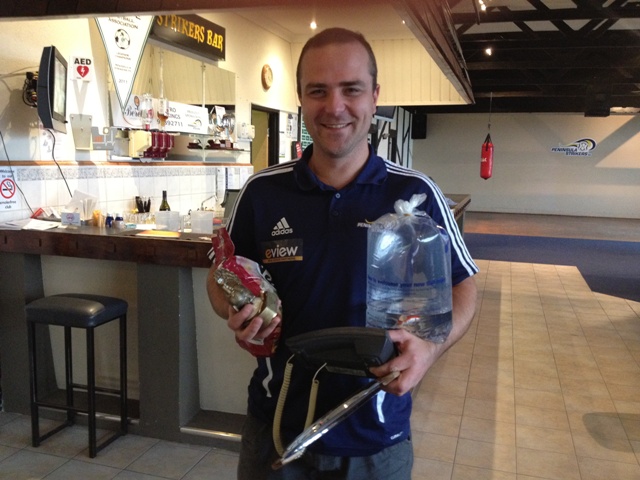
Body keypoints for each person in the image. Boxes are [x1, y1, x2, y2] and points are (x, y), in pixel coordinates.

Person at [207, 27, 478, 480]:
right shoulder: (261, 192)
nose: (334, 107)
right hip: (275, 426)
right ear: (300, 98)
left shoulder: (416, 194)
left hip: (375, 435)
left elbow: (464, 285)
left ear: (375, 96)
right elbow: (222, 274)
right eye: (318, 91)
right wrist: (233, 308)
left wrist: (431, 349)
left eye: (351, 89)